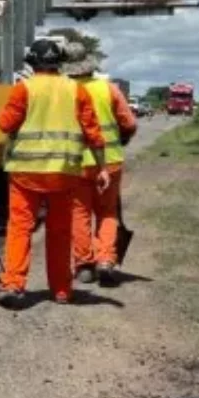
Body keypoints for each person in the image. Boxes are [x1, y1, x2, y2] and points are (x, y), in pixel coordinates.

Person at [0, 37, 110, 308]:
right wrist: (102, 168)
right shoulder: (77, 91)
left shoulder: (23, 89)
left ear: (33, 63)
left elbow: (6, 124)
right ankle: (62, 290)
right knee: (60, 232)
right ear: (58, 63)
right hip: (64, 174)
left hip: (26, 173)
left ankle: (15, 284)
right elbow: (94, 133)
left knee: (20, 228)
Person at [63, 48, 137, 286]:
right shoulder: (109, 89)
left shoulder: (64, 91)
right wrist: (123, 136)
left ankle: (84, 265)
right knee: (107, 212)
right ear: (91, 66)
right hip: (111, 160)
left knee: (79, 214)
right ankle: (106, 260)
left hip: (76, 164)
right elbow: (129, 123)